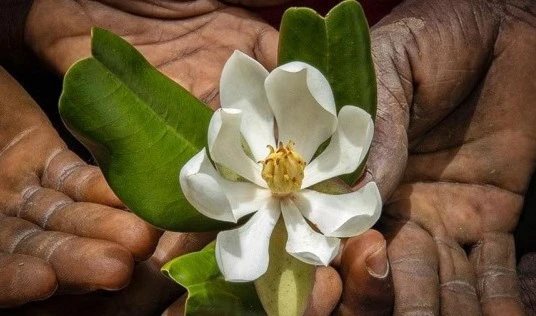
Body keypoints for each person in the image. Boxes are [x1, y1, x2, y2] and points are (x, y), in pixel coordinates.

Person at [1, 0, 535, 314]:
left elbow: (352, 152)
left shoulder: (335, 158)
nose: (284, 164)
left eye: (288, 160)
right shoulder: (230, 161)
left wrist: (516, 14)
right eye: (280, 159)